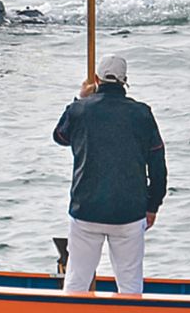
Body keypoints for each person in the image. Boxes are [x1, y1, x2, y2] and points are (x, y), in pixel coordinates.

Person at [53, 55, 167, 295]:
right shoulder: (142, 114)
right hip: (129, 211)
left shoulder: (79, 110)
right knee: (130, 284)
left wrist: (81, 98)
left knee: (76, 281)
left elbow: (60, 137)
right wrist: (153, 205)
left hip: (86, 208)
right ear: (125, 82)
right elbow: (157, 166)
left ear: (96, 79)